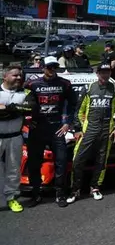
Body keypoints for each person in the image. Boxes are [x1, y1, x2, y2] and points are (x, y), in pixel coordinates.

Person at [67, 64, 115, 203]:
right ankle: (75, 190)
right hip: (88, 131)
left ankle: (95, 187)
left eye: (107, 72)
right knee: (78, 160)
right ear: (97, 73)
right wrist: (77, 129)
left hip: (106, 131)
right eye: (102, 72)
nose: (105, 75)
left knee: (101, 161)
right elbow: (78, 110)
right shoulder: (88, 88)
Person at [25, 56, 77, 207]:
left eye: (54, 67)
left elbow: (74, 104)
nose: (52, 70)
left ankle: (60, 194)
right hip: (37, 129)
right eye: (49, 67)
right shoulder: (31, 84)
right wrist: (27, 121)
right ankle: (36, 194)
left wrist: (67, 123)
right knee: (34, 163)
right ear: (42, 68)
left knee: (61, 161)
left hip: (57, 129)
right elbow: (23, 104)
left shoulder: (65, 84)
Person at [0, 65, 37, 213]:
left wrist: (7, 109)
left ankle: (11, 198)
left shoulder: (26, 92)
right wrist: (17, 109)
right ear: (5, 76)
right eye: (15, 75)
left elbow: (31, 108)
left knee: (14, 169)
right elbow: (21, 110)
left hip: (15, 136)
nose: (19, 78)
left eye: (20, 75)